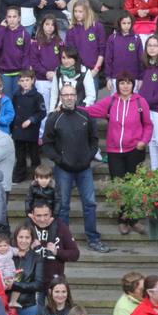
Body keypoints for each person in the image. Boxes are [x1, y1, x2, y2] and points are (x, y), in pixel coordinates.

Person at [41, 84, 109, 253]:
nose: (69, 97)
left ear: (76, 96)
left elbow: (94, 139)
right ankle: (64, 240)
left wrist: (89, 156)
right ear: (61, 97)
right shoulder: (54, 118)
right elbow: (47, 145)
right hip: (63, 169)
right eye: (66, 95)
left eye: (72, 94)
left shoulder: (85, 115)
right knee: (63, 206)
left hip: (84, 168)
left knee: (90, 204)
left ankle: (93, 239)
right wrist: (59, 160)